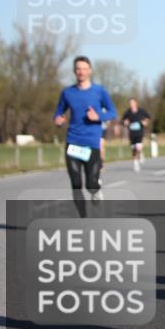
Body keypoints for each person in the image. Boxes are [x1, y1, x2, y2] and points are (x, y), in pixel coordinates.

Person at [53, 56, 118, 216]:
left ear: (90, 70)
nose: (81, 71)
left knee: (91, 183)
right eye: (78, 69)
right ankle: (83, 219)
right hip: (73, 142)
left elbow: (112, 112)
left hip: (92, 143)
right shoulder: (68, 93)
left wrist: (98, 117)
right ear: (74, 71)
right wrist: (58, 119)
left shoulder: (99, 91)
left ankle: (96, 191)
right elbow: (59, 111)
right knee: (76, 184)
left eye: (84, 68)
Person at [120, 98, 151, 172]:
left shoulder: (141, 111)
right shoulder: (127, 112)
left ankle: (136, 163)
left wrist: (145, 122)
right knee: (133, 149)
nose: (131, 104)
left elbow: (148, 118)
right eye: (130, 103)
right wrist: (124, 122)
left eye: (133, 103)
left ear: (136, 103)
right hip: (131, 133)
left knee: (138, 147)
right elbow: (122, 121)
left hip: (139, 132)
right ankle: (136, 161)